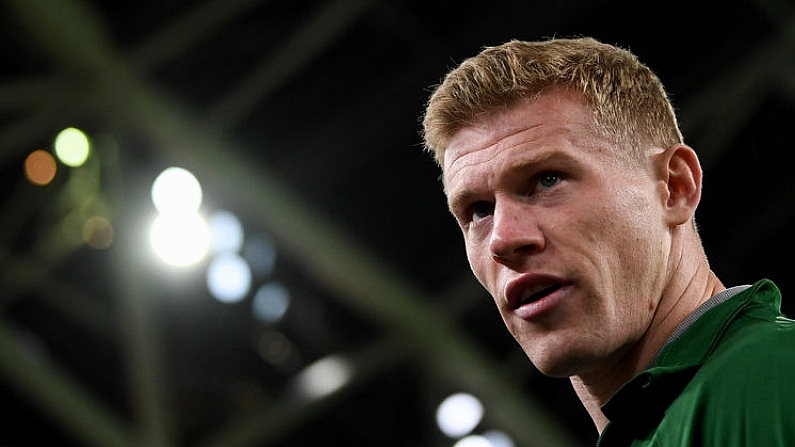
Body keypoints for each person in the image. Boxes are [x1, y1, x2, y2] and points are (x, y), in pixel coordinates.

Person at [420, 37, 795, 446]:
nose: (503, 239)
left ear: (674, 187)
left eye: (547, 180)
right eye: (478, 210)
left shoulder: (777, 380)